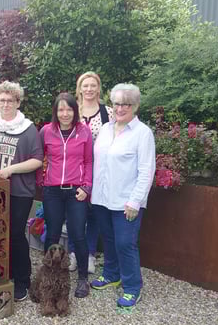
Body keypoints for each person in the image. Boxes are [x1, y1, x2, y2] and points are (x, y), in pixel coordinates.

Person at [0, 81, 44, 302]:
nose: (5, 104)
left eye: (10, 101)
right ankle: (3, 273)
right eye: (2, 100)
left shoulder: (28, 129)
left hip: (19, 191)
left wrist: (11, 170)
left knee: (15, 234)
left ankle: (22, 279)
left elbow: (37, 160)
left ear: (18, 102)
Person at [90, 83, 155, 308]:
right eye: (117, 103)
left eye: (126, 104)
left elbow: (146, 171)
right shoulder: (105, 129)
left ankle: (132, 287)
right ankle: (111, 274)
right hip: (101, 198)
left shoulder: (142, 133)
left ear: (135, 106)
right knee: (108, 239)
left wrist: (135, 201)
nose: (120, 108)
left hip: (126, 201)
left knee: (125, 243)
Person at [39, 92, 93, 298]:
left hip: (75, 191)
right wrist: (41, 180)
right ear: (55, 111)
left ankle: (82, 279)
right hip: (52, 191)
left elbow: (89, 161)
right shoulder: (46, 131)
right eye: (61, 109)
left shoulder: (84, 132)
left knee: (77, 234)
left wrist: (86, 187)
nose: (65, 114)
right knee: (52, 234)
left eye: (69, 109)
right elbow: (38, 156)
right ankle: (48, 276)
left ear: (75, 111)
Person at [69, 71, 114, 274]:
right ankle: (73, 253)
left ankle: (89, 255)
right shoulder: (71, 110)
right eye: (85, 85)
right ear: (79, 89)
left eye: (92, 85)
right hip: (74, 170)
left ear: (98, 88)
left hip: (99, 170)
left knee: (94, 213)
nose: (89, 89)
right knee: (74, 212)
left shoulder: (108, 113)